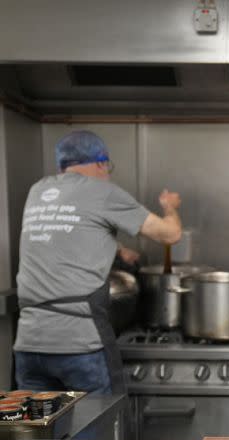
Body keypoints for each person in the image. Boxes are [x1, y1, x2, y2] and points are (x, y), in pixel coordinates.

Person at [14, 130, 183, 394]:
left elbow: (67, 230)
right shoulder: (102, 192)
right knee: (98, 430)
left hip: (28, 345)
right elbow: (170, 235)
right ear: (101, 163)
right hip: (80, 343)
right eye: (108, 167)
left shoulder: (39, 191)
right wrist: (170, 207)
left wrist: (118, 250)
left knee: (37, 433)